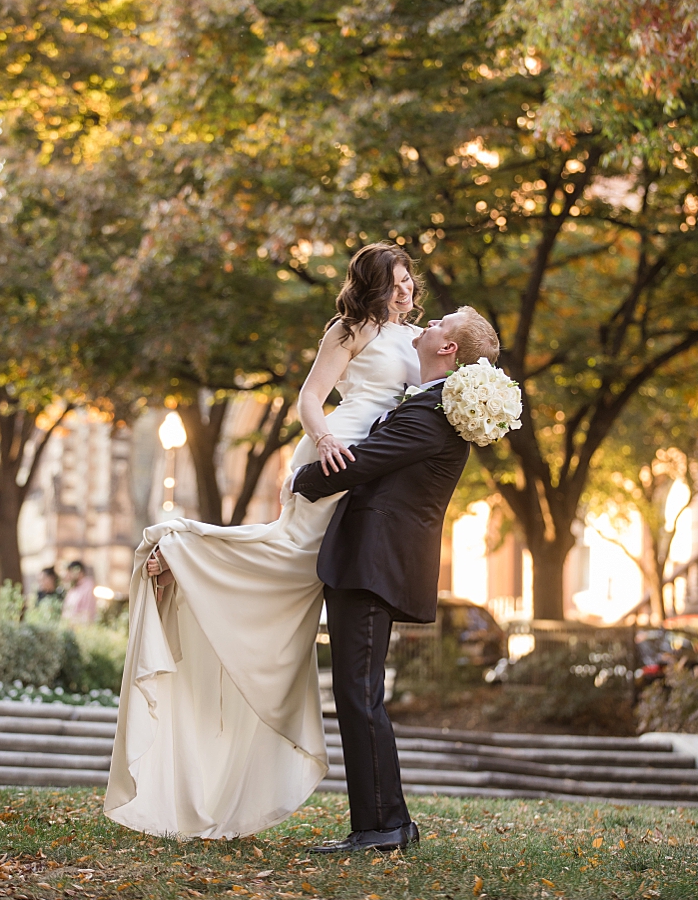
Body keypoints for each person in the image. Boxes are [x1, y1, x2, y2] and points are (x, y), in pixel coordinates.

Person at [104, 239, 492, 841]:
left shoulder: (422, 353)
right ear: (370, 285)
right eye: (393, 282)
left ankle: (191, 559)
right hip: (342, 450)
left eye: (409, 280)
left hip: (369, 467)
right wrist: (323, 447)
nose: (406, 290)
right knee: (290, 551)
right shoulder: (350, 329)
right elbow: (312, 398)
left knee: (297, 569)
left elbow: (435, 396)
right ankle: (183, 550)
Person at [290, 310, 491, 853]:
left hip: (374, 562)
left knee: (359, 693)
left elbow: (363, 462)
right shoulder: (427, 401)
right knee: (358, 693)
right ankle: (382, 823)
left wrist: (301, 478)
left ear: (447, 349)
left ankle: (385, 826)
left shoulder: (433, 413)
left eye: (440, 323)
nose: (426, 321)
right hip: (370, 559)